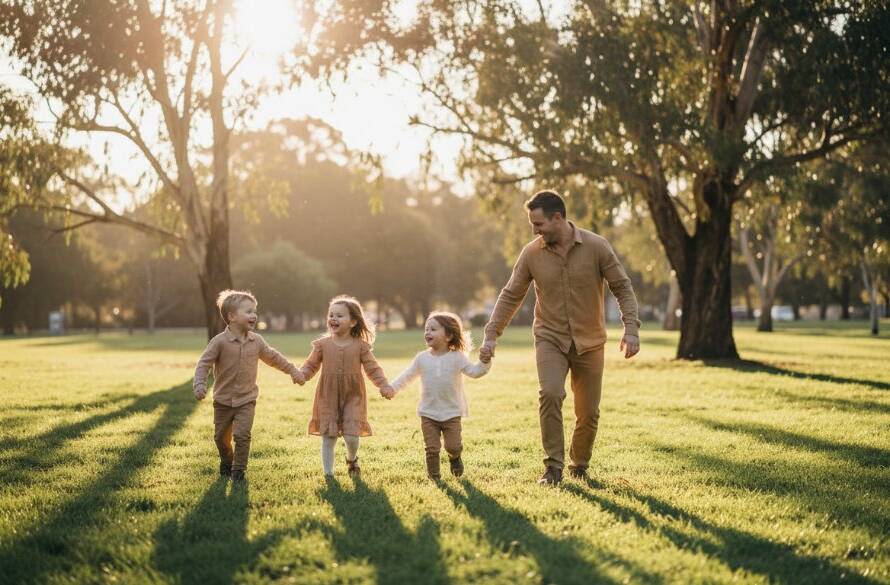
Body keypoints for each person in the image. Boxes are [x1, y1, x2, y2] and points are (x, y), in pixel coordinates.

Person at [480, 190, 641, 485]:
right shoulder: (531, 253)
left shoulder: (596, 246)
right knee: (551, 393)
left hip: (590, 341)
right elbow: (511, 294)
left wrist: (631, 328)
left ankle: (578, 464)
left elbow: (622, 286)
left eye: (538, 224)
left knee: (588, 412)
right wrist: (491, 334)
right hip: (549, 337)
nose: (534, 230)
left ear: (558, 218)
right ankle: (553, 467)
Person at [193, 289, 302, 483]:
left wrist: (293, 370)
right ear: (232, 316)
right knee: (220, 438)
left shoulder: (257, 341)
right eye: (248, 311)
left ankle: (238, 472)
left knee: (242, 436)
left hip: (247, 400)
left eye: (255, 311)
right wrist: (200, 384)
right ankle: (227, 461)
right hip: (223, 401)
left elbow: (273, 358)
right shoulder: (219, 342)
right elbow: (204, 364)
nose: (254, 315)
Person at [297, 295, 394, 477]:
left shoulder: (361, 346)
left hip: (353, 395)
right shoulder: (322, 345)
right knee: (329, 436)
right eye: (331, 314)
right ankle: (328, 474)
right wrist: (302, 375)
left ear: (353, 321)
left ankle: (352, 458)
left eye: (339, 315)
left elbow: (373, 369)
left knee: (351, 435)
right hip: (327, 395)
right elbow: (310, 365)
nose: (333, 318)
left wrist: (384, 385)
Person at [387, 312, 491, 480]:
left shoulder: (457, 357)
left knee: (454, 446)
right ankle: (434, 478)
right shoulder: (421, 358)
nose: (427, 332)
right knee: (432, 448)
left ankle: (455, 458)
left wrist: (485, 362)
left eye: (433, 329)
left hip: (452, 412)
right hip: (428, 412)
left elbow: (475, 371)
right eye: (426, 329)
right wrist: (392, 388)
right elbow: (407, 376)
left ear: (449, 335)